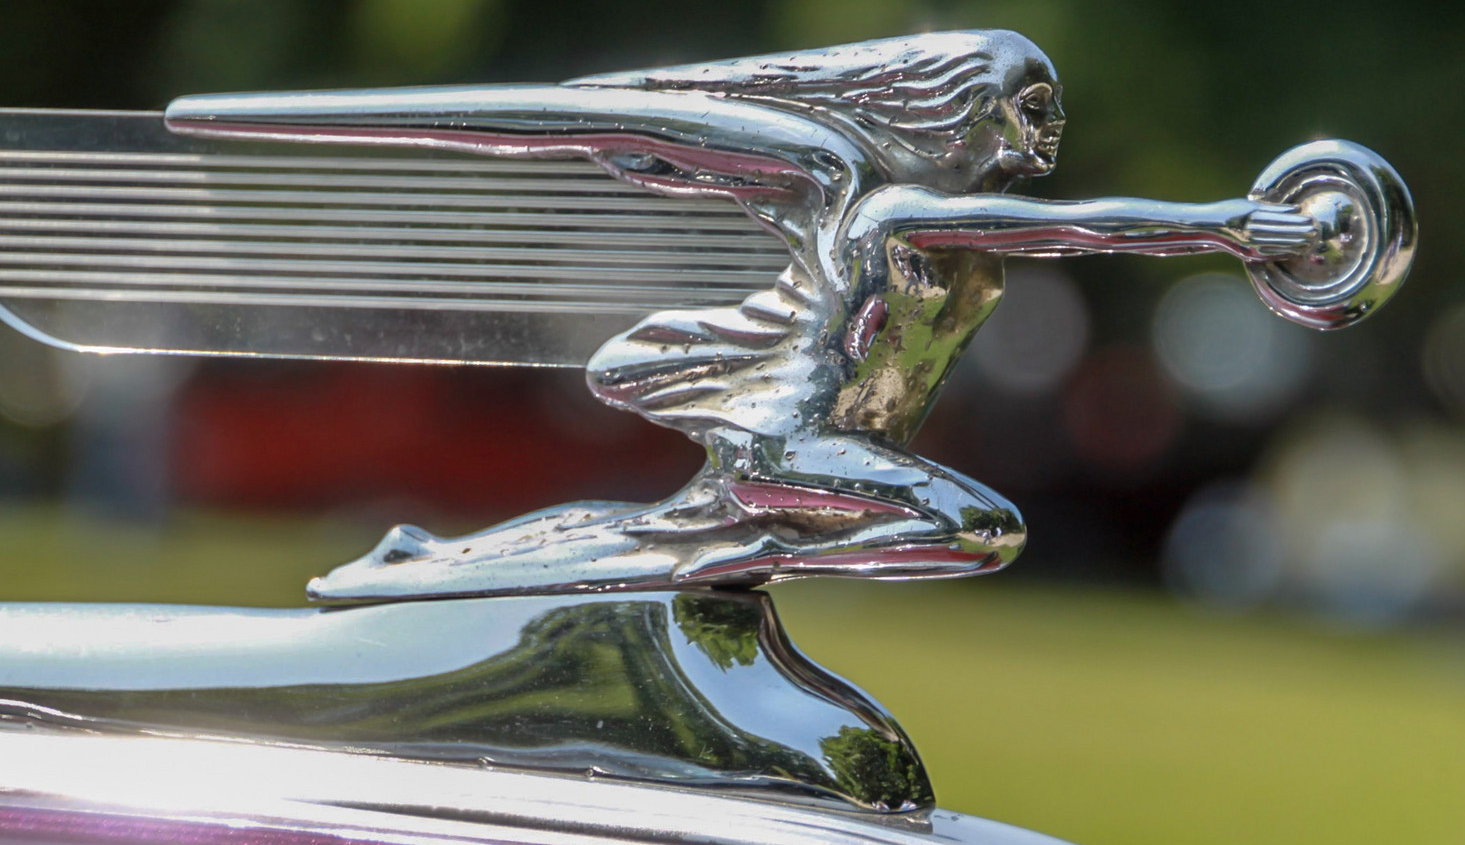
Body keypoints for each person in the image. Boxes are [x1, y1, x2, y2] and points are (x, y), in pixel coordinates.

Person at [167, 30, 1314, 598]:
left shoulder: (927, 220)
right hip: (794, 445)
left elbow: (1073, 226)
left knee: (661, 542)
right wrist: (1230, 228)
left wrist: (1244, 232)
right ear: (964, 107)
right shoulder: (896, 215)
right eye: (1028, 107)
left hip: (816, 458)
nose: (1044, 134)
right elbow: (1087, 228)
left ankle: (431, 565)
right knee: (975, 530)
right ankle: (448, 568)